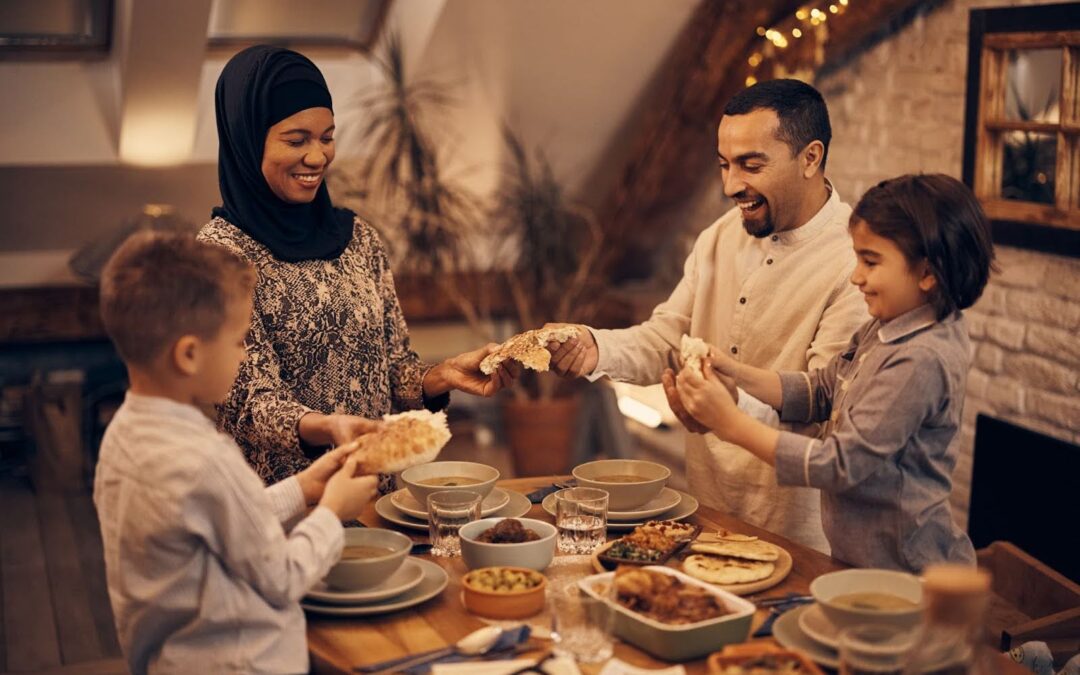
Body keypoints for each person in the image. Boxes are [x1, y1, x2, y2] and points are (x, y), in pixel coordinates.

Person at [548, 79, 867, 551]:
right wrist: (595, 347)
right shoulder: (718, 237)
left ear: (810, 158)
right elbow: (665, 339)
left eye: (750, 165)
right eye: (724, 164)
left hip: (798, 535)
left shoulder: (855, 262)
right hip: (708, 512)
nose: (730, 185)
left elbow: (827, 415)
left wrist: (727, 407)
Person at [198, 45, 516, 488]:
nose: (317, 157)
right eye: (296, 140)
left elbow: (392, 370)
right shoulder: (220, 256)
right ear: (246, 139)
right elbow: (250, 404)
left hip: (371, 494)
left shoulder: (357, 237)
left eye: (327, 137)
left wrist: (439, 377)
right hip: (279, 512)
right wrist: (329, 427)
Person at [676, 174, 993, 571]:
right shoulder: (887, 325)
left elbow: (839, 465)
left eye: (871, 261)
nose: (856, 276)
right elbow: (823, 390)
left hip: (906, 575)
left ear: (928, 273)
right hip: (858, 563)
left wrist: (731, 424)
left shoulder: (922, 359)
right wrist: (734, 373)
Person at [94, 231, 378, 673]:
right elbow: (283, 576)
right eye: (239, 340)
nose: (245, 355)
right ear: (189, 355)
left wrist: (305, 488)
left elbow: (219, 521)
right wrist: (332, 511)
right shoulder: (207, 458)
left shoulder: (122, 437)